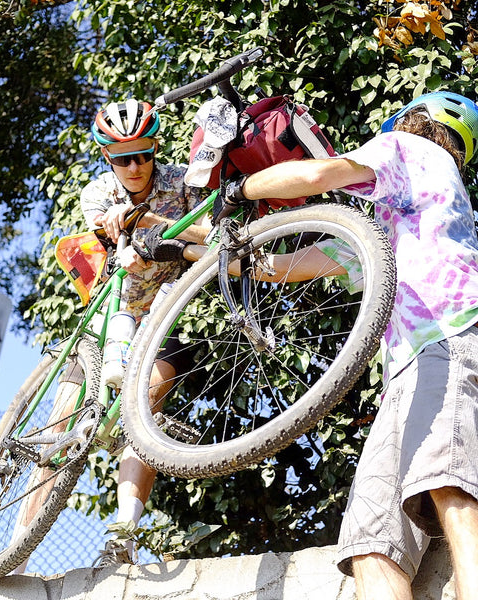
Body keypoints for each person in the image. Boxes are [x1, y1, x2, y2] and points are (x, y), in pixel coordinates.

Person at [199, 90, 478, 599]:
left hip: (451, 334)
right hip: (406, 375)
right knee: (372, 543)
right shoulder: (386, 227)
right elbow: (280, 268)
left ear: (413, 122)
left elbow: (314, 175)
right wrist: (192, 248)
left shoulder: (414, 149)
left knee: (450, 485)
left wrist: (242, 188)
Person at [81, 99, 209, 567]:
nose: (135, 167)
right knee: (76, 405)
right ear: (106, 157)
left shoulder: (181, 182)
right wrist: (121, 233)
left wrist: (151, 225)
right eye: (122, 158)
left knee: (147, 403)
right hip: (115, 310)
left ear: (156, 150)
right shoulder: (97, 193)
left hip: (169, 307)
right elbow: (100, 227)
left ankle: (124, 535)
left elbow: (211, 235)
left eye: (144, 155)